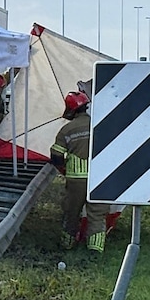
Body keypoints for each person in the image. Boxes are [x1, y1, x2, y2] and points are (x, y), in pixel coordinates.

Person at [51, 91, 106, 253]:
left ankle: (66, 245)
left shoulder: (66, 130)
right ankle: (95, 251)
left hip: (76, 180)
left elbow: (56, 155)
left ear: (71, 109)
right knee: (97, 214)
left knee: (71, 213)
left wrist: (63, 170)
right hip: (99, 179)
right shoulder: (99, 125)